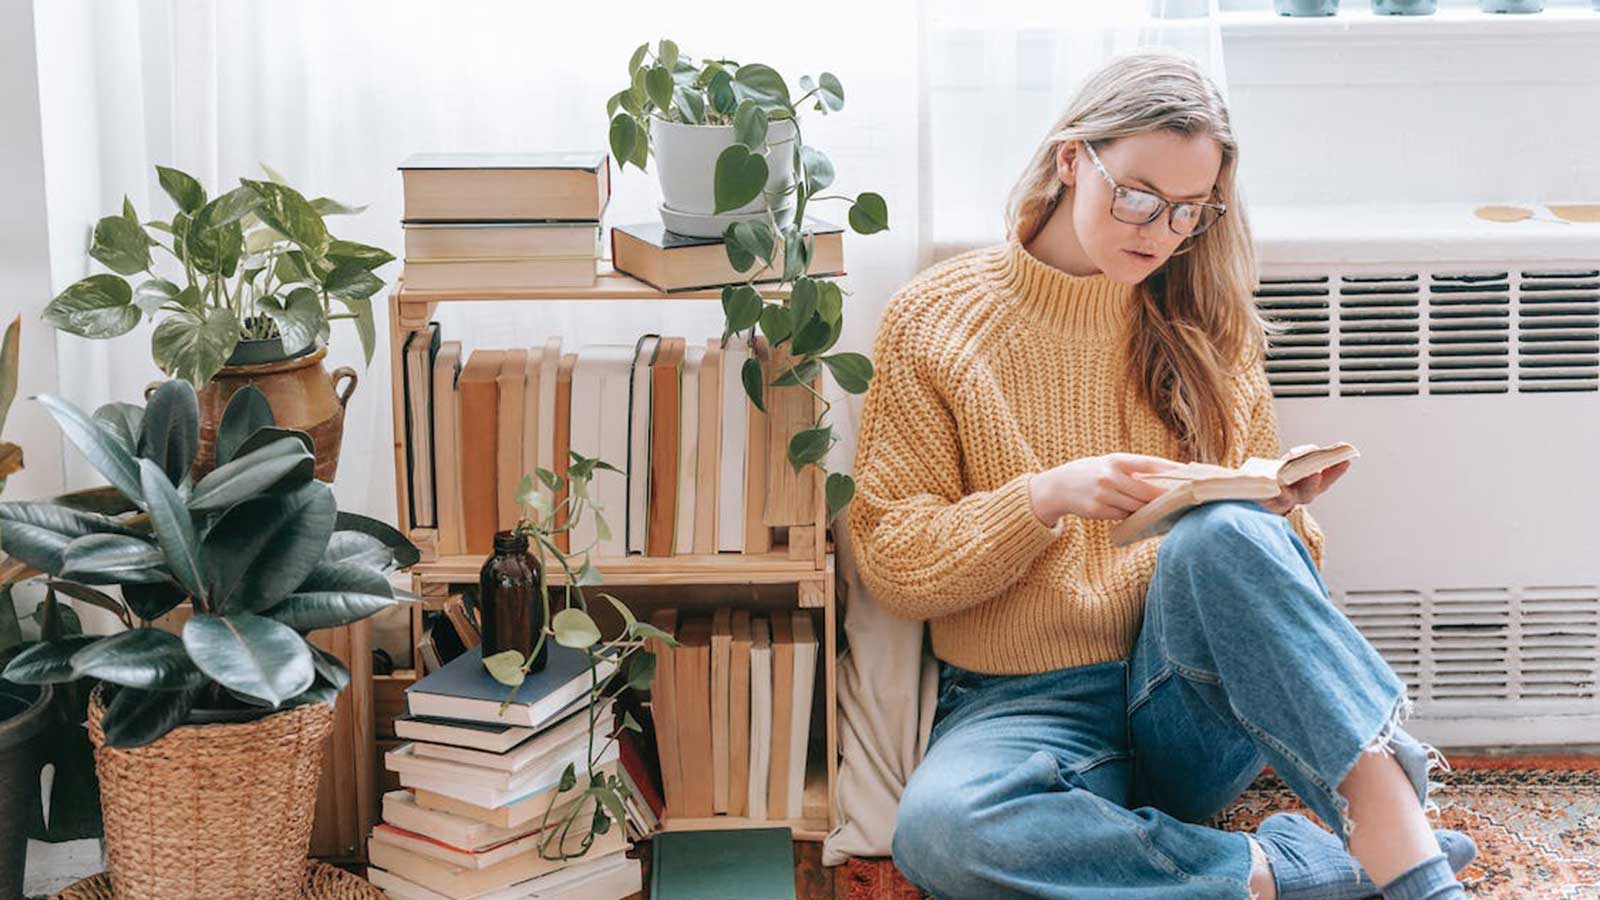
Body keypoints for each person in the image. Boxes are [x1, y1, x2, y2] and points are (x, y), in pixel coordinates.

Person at [847, 49, 1476, 900]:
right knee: (941, 836)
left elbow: (1269, 600)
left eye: (1188, 211)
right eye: (1137, 195)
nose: (1158, 230)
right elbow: (893, 558)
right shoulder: (939, 318)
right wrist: (1043, 497)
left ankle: (1409, 860)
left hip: (1190, 693)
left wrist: (1277, 513)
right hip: (1023, 706)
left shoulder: (1206, 322)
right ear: (1073, 159)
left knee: (1226, 529)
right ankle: (1292, 869)